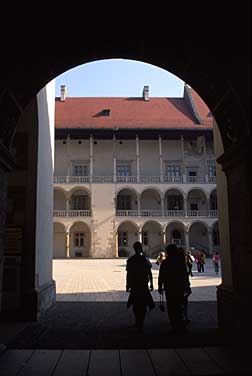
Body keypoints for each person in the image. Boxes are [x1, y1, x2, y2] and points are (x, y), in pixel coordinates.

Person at [158, 243, 191, 334]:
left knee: (172, 307)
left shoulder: (165, 262)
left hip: (170, 288)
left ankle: (175, 326)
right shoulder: (180, 262)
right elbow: (185, 275)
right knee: (180, 306)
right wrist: (187, 286)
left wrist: (160, 286)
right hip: (179, 287)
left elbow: (161, 275)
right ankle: (181, 326)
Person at [126, 241, 155, 332]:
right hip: (143, 285)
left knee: (135, 304)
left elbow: (128, 274)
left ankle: (137, 321)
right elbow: (149, 273)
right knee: (143, 304)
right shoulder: (145, 260)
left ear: (134, 249)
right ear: (141, 249)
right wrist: (152, 283)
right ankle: (140, 322)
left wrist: (127, 285)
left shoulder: (131, 260)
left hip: (135, 285)